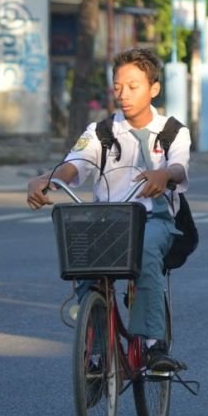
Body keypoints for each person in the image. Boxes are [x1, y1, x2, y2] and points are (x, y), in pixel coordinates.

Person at [27, 47, 191, 370]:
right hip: (107, 222)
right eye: (118, 86)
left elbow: (180, 169)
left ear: (153, 88)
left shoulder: (173, 131)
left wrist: (164, 174)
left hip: (153, 220)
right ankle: (99, 351)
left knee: (145, 252)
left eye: (133, 86)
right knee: (83, 260)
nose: (123, 94)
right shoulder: (100, 133)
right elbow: (73, 166)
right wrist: (47, 179)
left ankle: (153, 344)